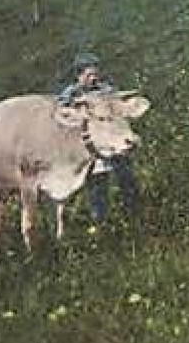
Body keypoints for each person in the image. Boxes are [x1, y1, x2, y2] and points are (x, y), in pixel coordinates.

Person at [57, 52, 140, 225]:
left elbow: (118, 109)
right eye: (89, 75)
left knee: (127, 182)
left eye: (95, 74)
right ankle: (99, 224)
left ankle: (133, 216)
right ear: (79, 76)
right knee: (97, 188)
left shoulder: (106, 90)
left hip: (113, 145)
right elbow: (62, 113)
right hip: (90, 149)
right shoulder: (71, 94)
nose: (94, 78)